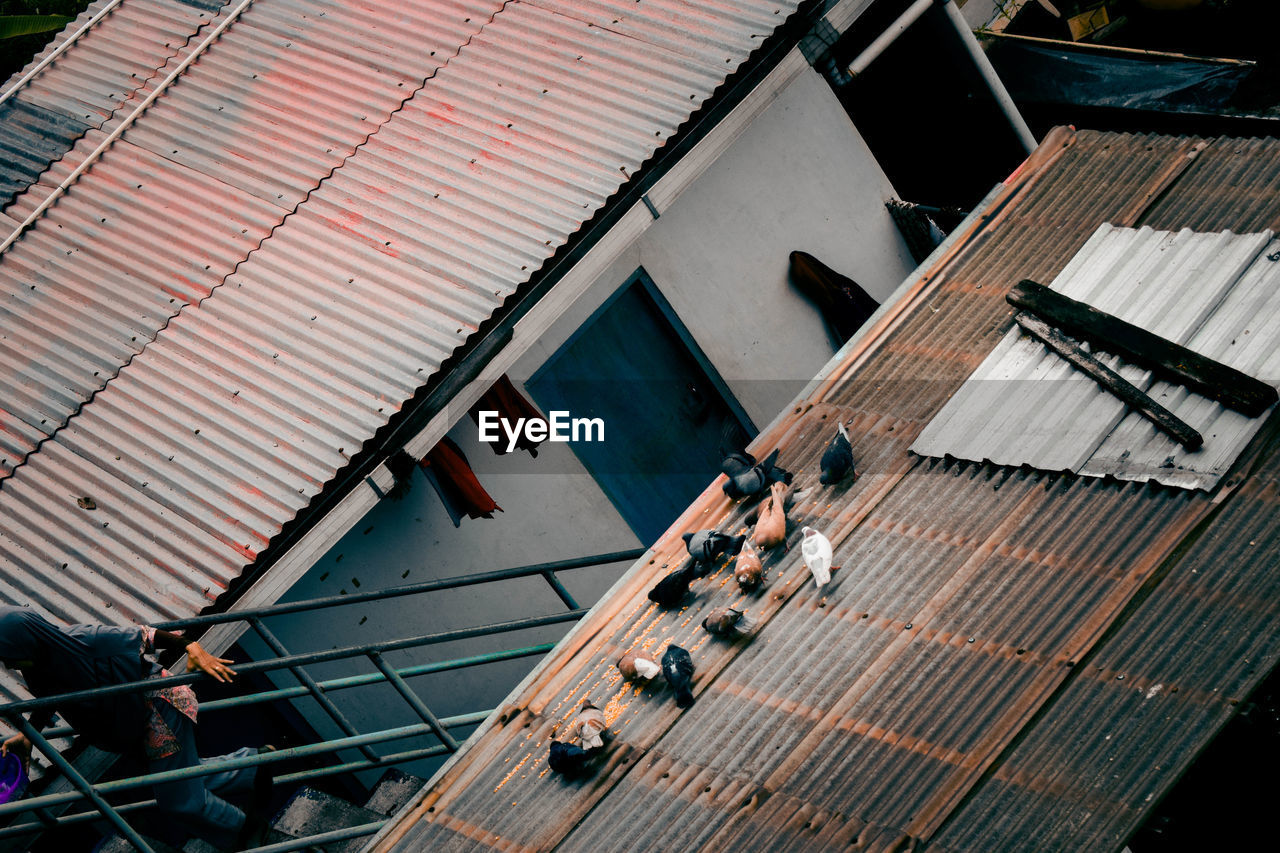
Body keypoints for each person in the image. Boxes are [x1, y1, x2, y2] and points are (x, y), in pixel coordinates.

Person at [0, 605, 268, 849]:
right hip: (132, 720)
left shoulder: (81, 639)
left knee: (178, 800)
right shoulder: (38, 666)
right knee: (182, 778)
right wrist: (27, 737)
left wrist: (193, 648)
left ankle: (244, 830)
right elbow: (52, 698)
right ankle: (254, 765)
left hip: (156, 708)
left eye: (8, 654)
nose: (7, 663)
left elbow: (146, 636)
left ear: (25, 643)